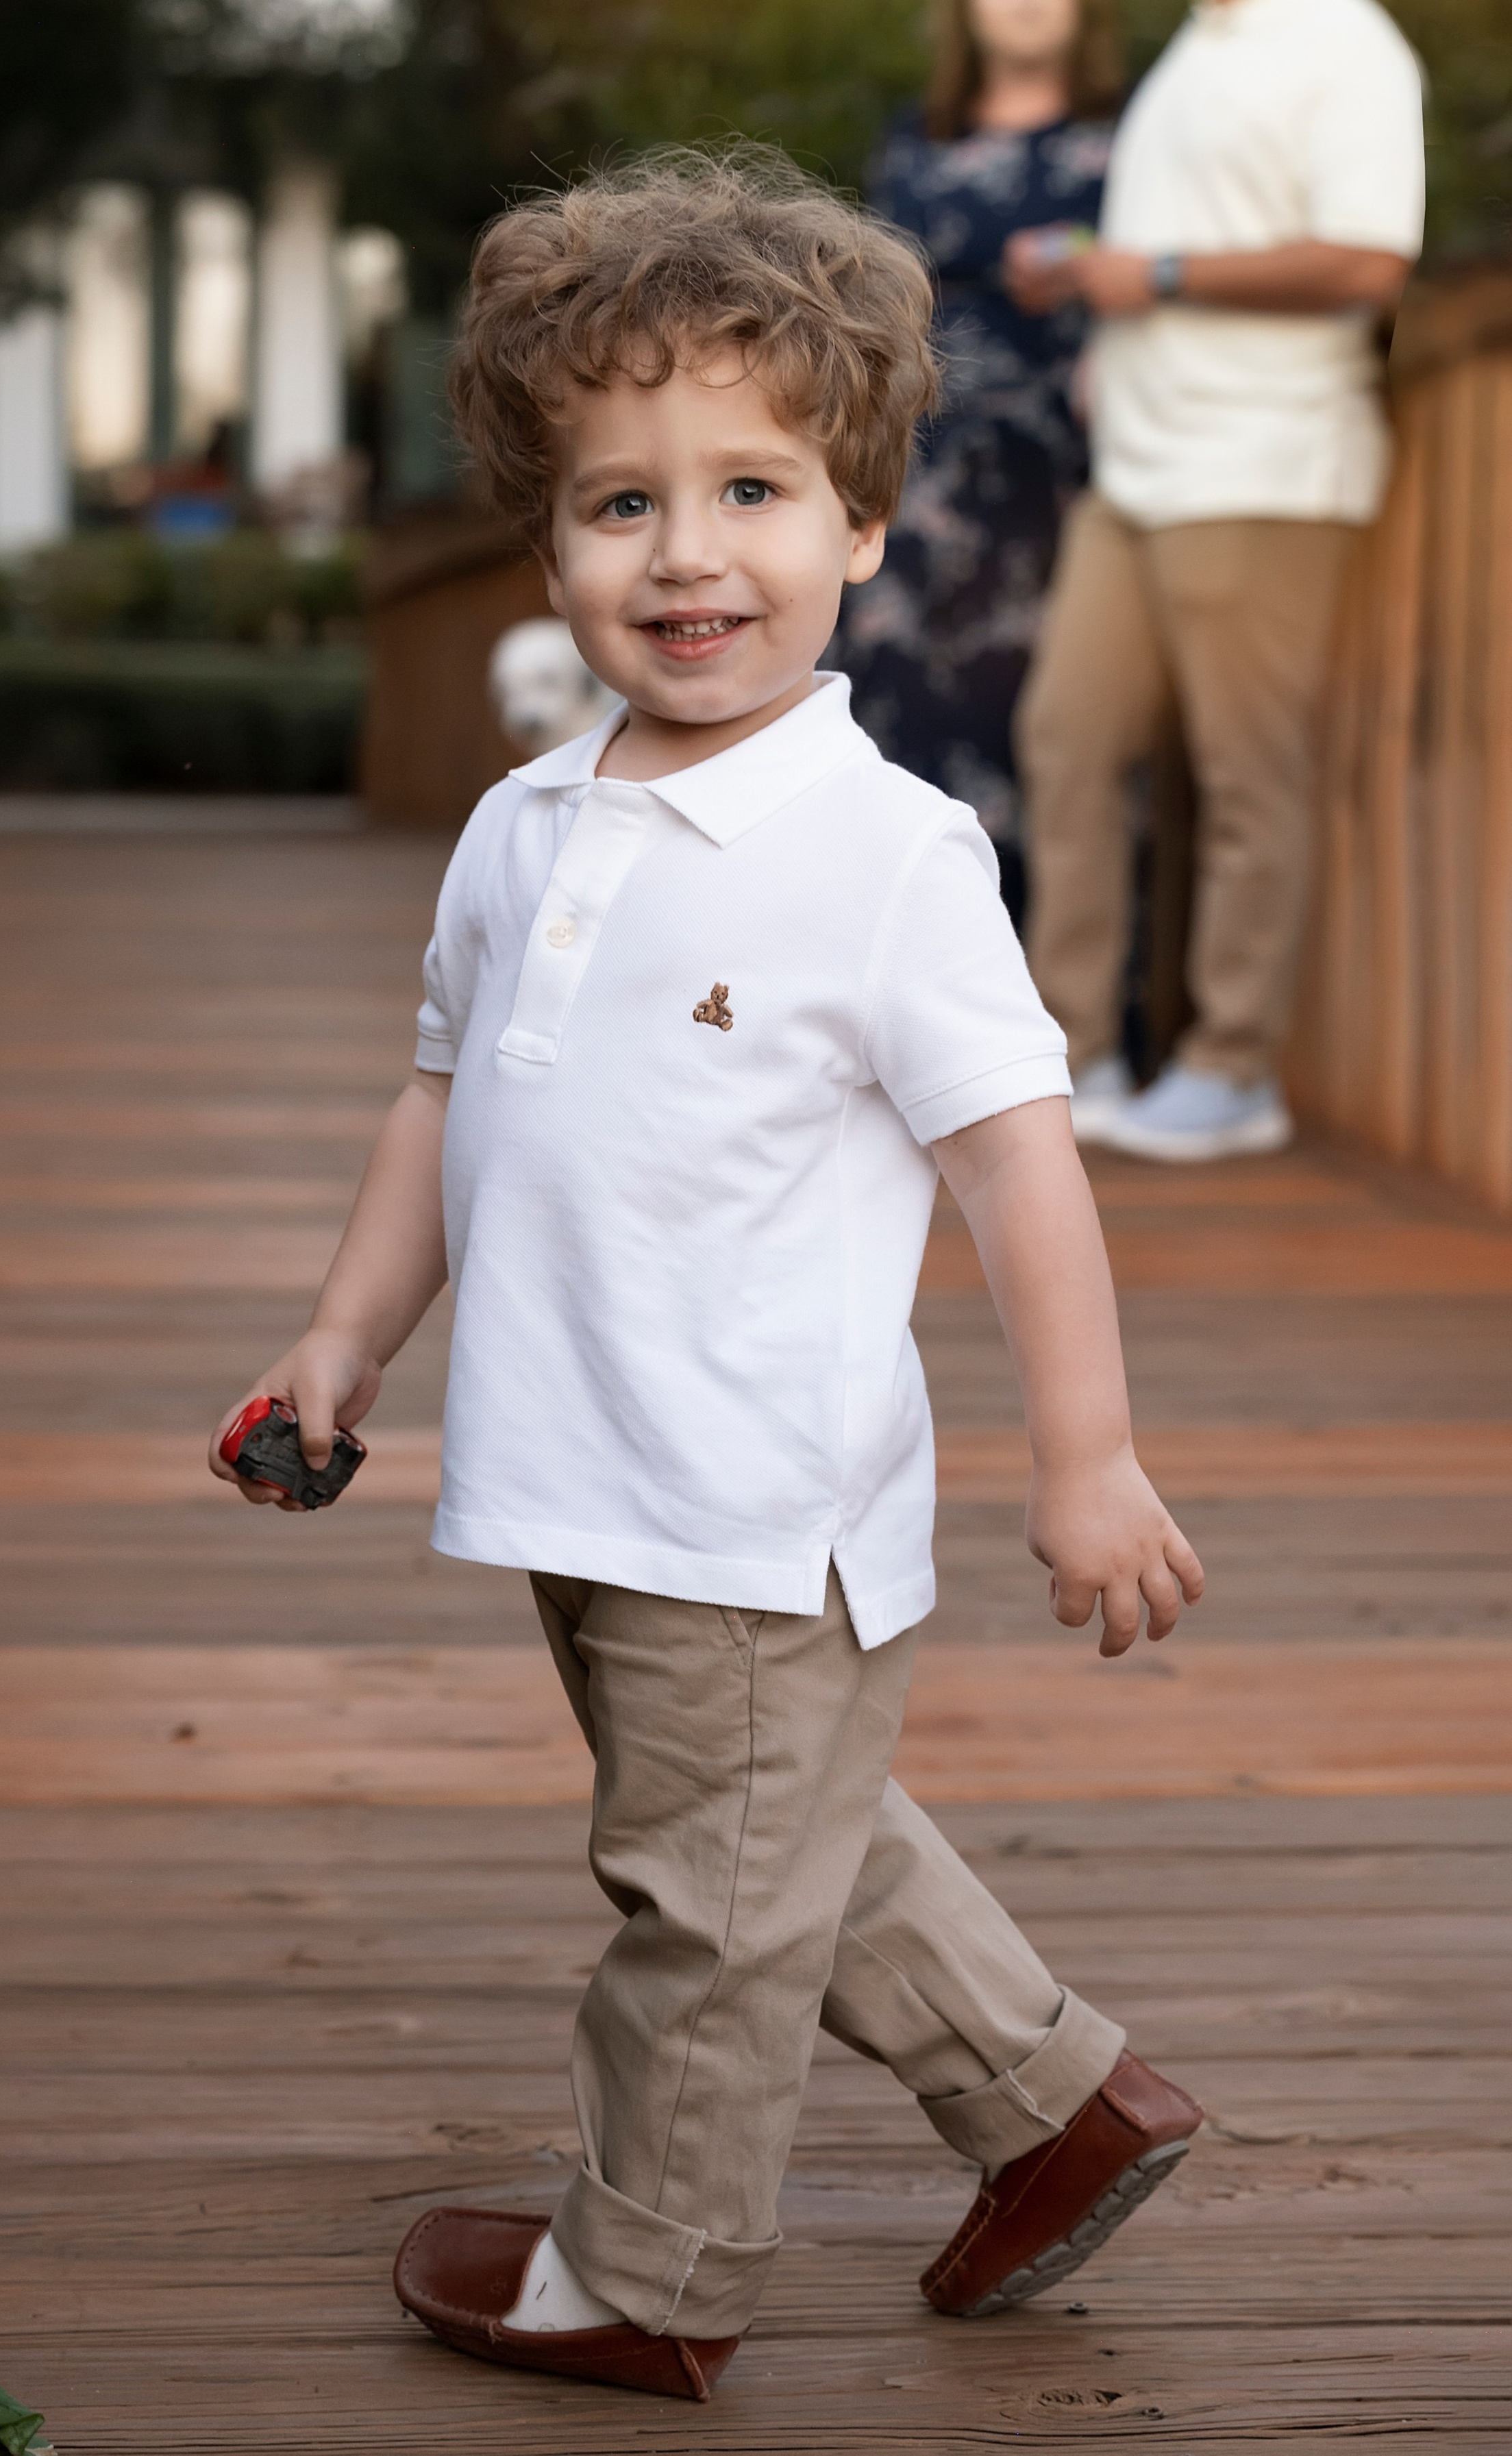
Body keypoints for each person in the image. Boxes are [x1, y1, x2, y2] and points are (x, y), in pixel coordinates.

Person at [210, 149, 1206, 2403]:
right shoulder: (526, 824)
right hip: (579, 1471)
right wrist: (346, 1338)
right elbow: (445, 1103)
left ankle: (648, 2268)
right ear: (543, 541)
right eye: (619, 504)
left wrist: (1092, 1458)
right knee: (772, 1839)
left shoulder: (887, 856)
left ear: (860, 522)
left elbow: (1022, 1169)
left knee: (702, 1903)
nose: (689, 555)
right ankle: (1057, 2101)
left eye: (754, 487)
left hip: (757, 1501)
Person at [1009, 0, 1425, 1161]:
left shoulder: (1346, 40)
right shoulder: (1199, 44)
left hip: (1262, 467)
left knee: (1246, 772)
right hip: (1135, 468)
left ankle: (1234, 1068)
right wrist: (1104, 302)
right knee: (1064, 743)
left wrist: (1161, 275)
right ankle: (1069, 1052)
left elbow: (1369, 261)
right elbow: (1174, 248)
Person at [836, 0, 1120, 922]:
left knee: (1059, 741)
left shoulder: (1130, 143)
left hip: (1064, 483)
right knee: (896, 717)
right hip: (917, 477)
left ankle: (1052, 1027)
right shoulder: (911, 142)